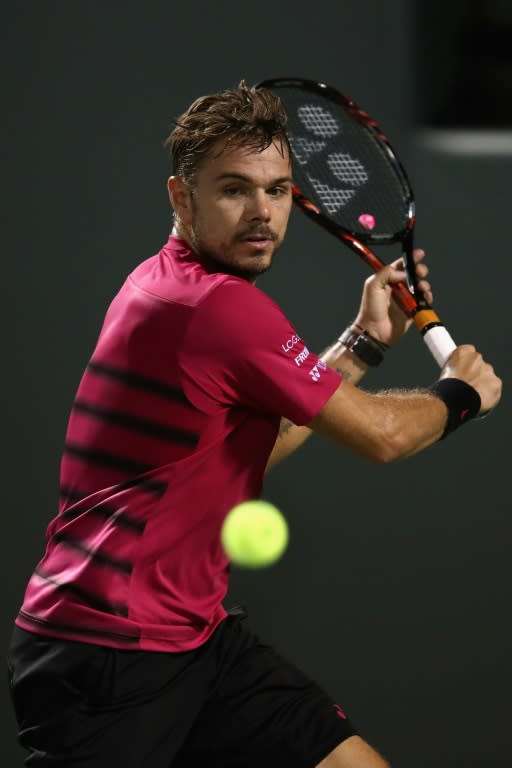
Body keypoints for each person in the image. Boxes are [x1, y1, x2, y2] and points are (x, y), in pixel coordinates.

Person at [7, 81, 501, 768]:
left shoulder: (160, 282)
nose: (262, 213)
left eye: (277, 190)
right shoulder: (218, 309)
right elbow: (382, 437)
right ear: (182, 198)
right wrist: (461, 394)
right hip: (110, 655)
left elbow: (246, 448)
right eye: (234, 189)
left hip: (189, 639)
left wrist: (363, 340)